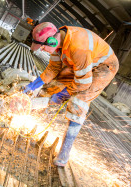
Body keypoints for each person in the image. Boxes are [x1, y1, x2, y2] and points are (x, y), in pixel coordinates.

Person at [23, 22, 119, 167]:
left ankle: (64, 154)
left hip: (103, 67)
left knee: (78, 101)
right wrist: (32, 86)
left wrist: (61, 96)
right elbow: (52, 69)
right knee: (53, 86)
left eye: (42, 46)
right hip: (85, 64)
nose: (42, 49)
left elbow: (83, 84)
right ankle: (38, 112)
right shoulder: (58, 45)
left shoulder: (78, 48)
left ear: (51, 41)